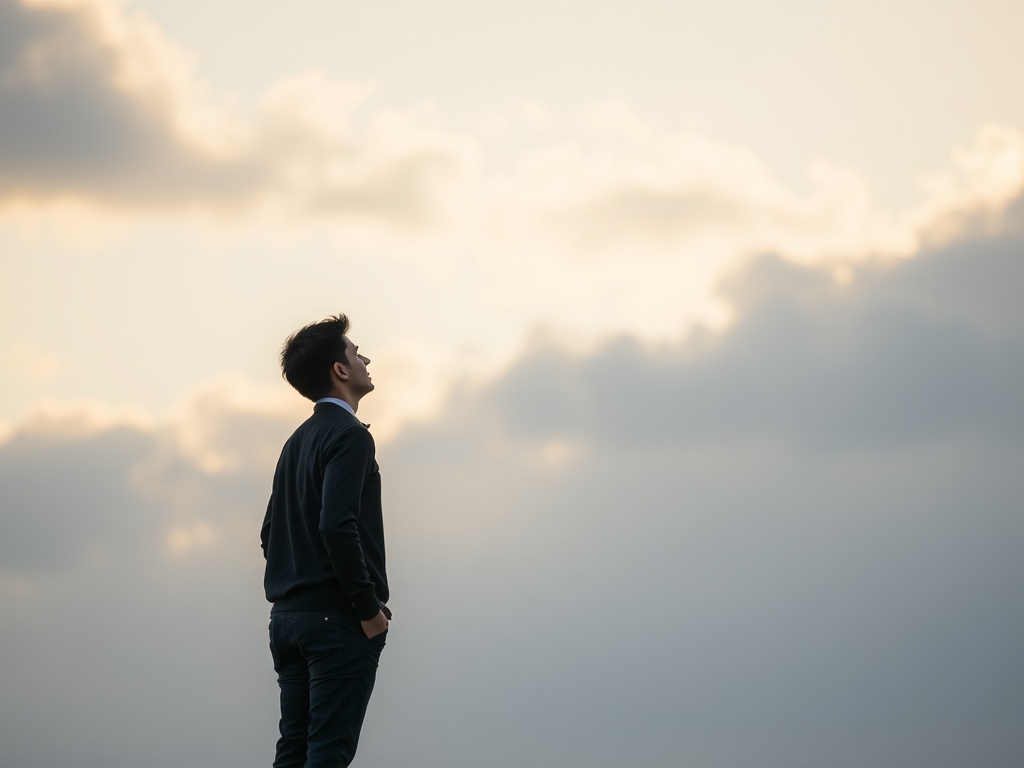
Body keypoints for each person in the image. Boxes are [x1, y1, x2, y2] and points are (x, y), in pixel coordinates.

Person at [261, 313, 391, 768]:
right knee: (328, 754)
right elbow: (338, 525)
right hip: (337, 622)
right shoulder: (350, 437)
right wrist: (367, 609)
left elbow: (269, 533)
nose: (365, 358)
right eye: (356, 353)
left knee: (292, 752)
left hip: (287, 621)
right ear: (340, 370)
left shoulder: (295, 443)